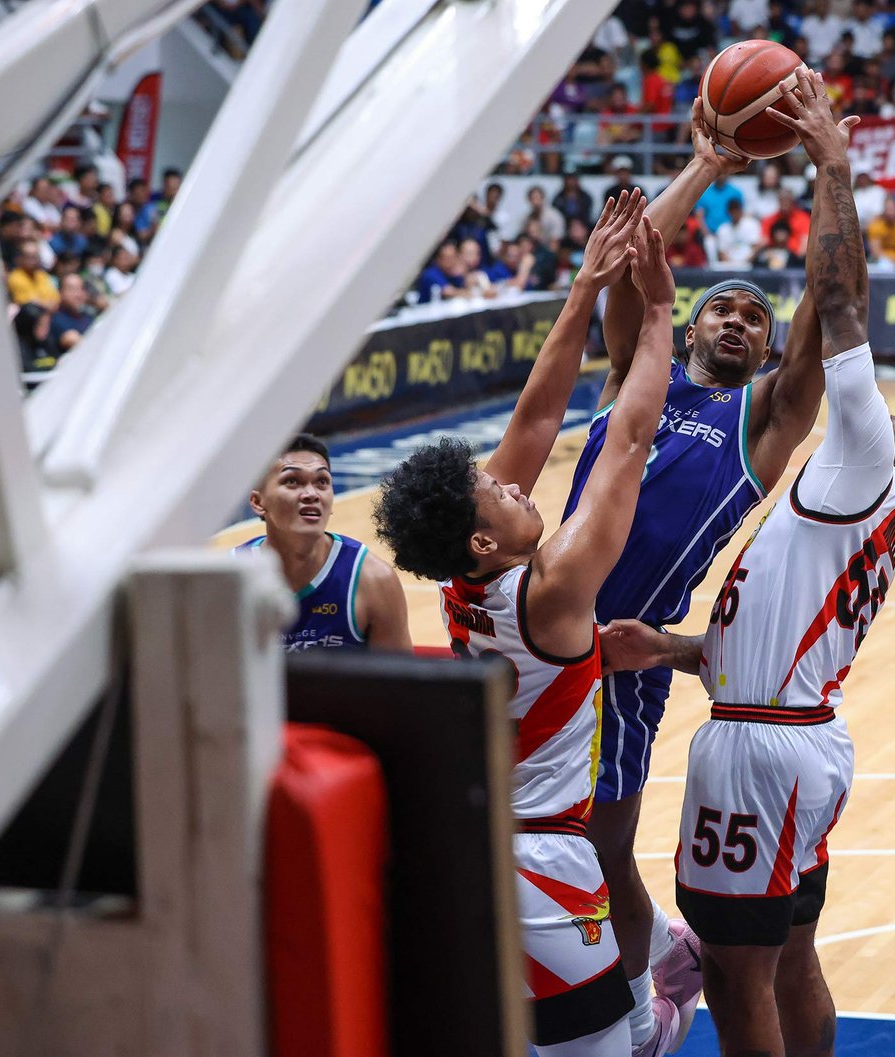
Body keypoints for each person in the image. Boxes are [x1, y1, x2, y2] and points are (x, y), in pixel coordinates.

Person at [598, 68, 895, 1055]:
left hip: (757, 746)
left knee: (736, 977)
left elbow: (838, 299)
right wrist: (682, 648)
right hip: (792, 726)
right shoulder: (873, 506)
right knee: (788, 957)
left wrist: (832, 165)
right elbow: (777, 630)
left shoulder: (858, 453)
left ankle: (643, 1002)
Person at [566, 111, 851, 1056]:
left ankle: (646, 1016)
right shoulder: (631, 378)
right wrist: (705, 161)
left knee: (602, 848)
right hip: (539, 624)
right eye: (722, 307)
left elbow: (822, 316)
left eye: (753, 318)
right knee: (528, 838)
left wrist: (825, 171)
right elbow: (618, 262)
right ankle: (616, 979)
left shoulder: (759, 418)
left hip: (623, 653)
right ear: (689, 321)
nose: (737, 318)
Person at [373, 193, 665, 1055]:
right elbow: (631, 436)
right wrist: (655, 308)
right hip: (543, 863)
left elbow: (537, 419)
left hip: (479, 844)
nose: (512, 484)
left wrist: (583, 288)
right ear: (480, 535)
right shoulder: (554, 586)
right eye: (496, 492)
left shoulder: (470, 576)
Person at [236, 434, 411, 653]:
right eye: (292, 481)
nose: (311, 494)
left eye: (322, 482)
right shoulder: (229, 581)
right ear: (257, 502)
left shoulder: (374, 580)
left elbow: (397, 684)